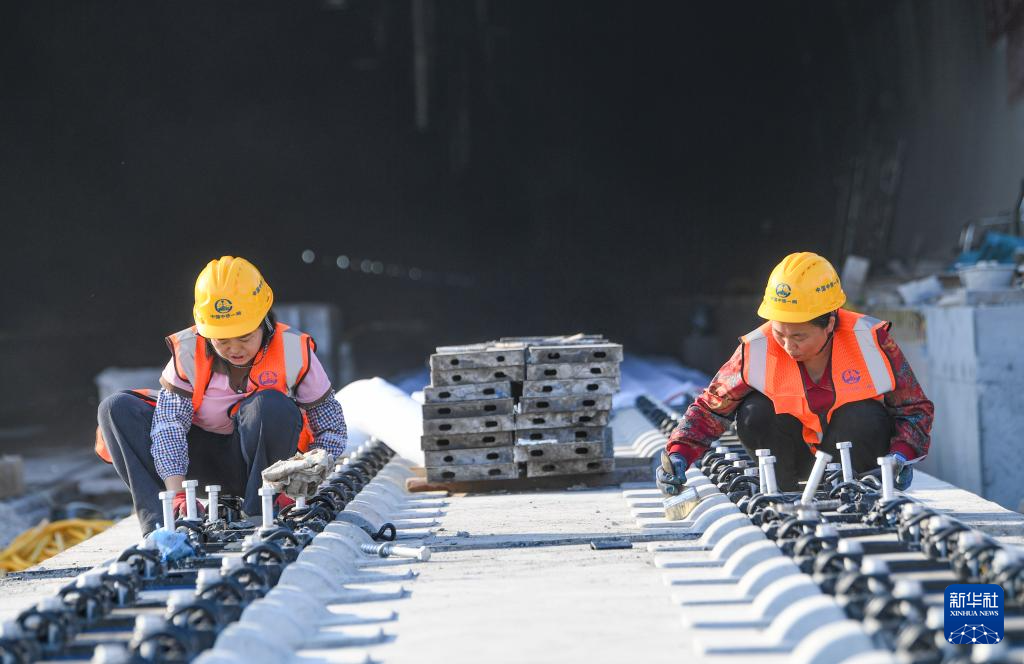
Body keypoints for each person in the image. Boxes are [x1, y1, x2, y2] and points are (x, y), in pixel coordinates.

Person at [96, 256, 348, 533]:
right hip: (195, 465)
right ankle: (163, 520)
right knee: (116, 408)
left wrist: (311, 473)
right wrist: (178, 493)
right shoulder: (189, 352)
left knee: (272, 406)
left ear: (264, 320)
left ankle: (260, 512)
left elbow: (331, 427)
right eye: (222, 340)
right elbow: (169, 426)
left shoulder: (293, 352)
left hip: (262, 470)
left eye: (244, 337)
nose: (234, 348)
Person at [656, 252, 933, 495]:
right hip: (790, 461)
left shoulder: (870, 341)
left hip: (857, 458)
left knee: (864, 415)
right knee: (754, 411)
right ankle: (783, 491)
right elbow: (711, 408)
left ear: (830, 324)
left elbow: (915, 409)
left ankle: (856, 491)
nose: (788, 345)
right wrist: (679, 453)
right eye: (780, 333)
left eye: (799, 335)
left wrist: (901, 455)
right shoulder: (757, 348)